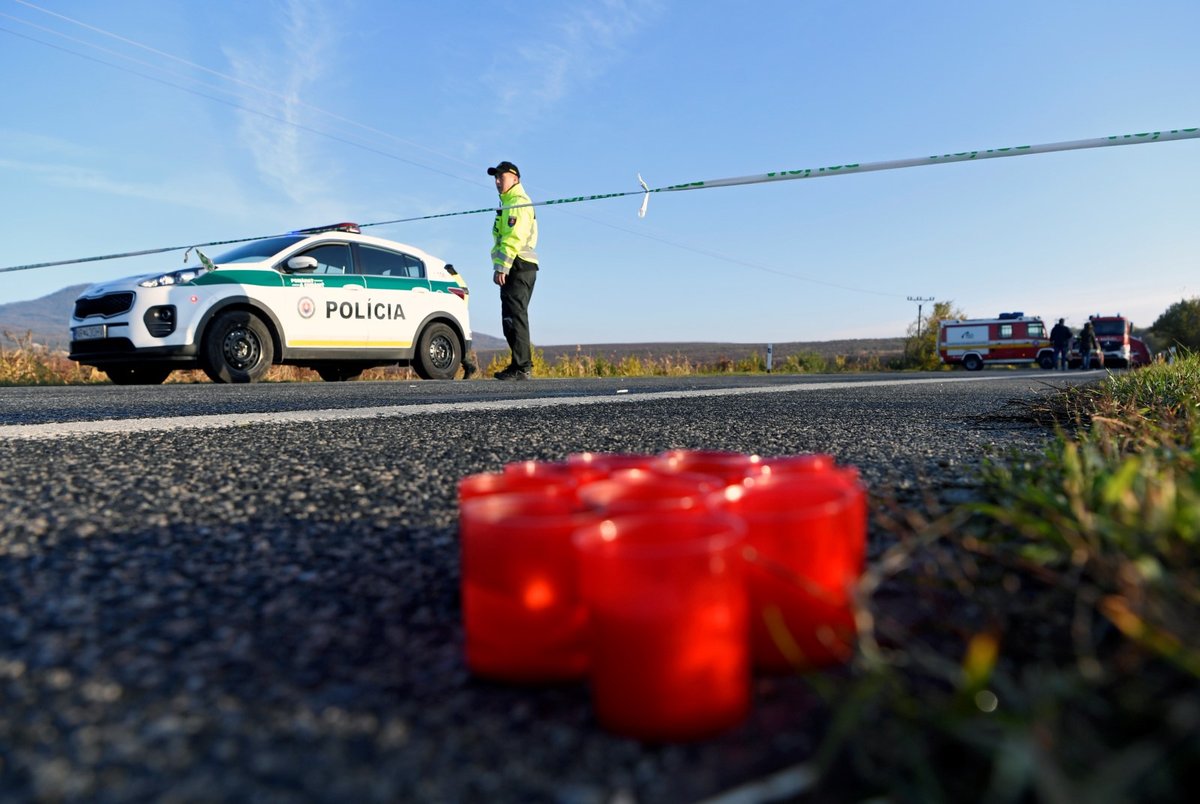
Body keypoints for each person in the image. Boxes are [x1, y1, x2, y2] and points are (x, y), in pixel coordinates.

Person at [487, 160, 539, 381]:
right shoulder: (507, 203)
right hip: (515, 266)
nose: (498, 181)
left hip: (518, 265)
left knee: (515, 317)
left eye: (502, 177)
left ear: (515, 178)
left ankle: (522, 367)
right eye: (496, 178)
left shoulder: (517, 202)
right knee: (511, 317)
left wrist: (502, 266)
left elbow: (513, 237)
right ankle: (520, 364)